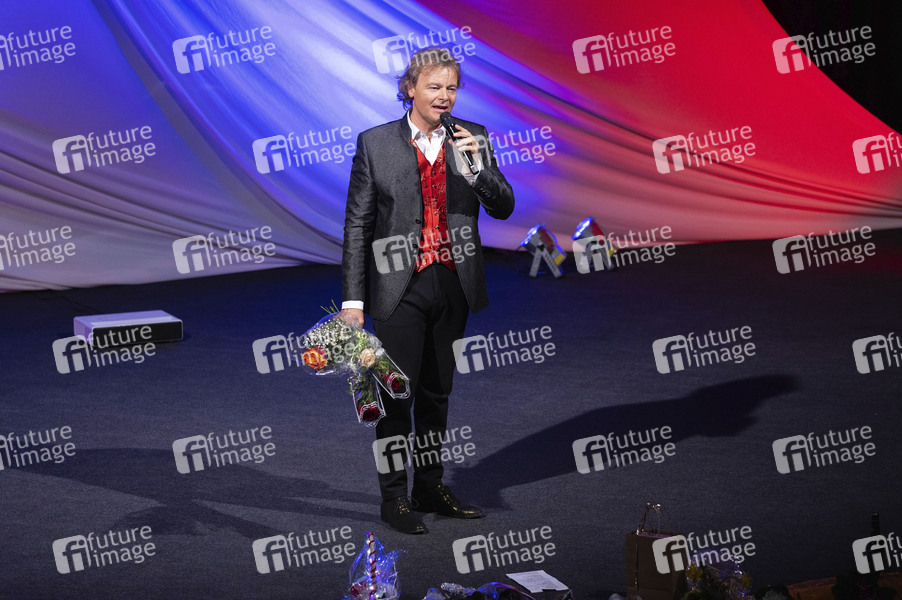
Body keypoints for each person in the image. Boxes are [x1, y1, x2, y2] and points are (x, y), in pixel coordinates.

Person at [339, 47, 515, 534]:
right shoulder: (375, 143)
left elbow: (503, 207)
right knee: (395, 394)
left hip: (454, 283)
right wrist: (353, 301)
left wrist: (476, 169)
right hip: (399, 287)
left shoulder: (473, 137)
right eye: (434, 86)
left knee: (438, 393)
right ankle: (395, 498)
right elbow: (358, 227)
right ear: (410, 89)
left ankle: (430, 487)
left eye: (451, 87)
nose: (444, 96)